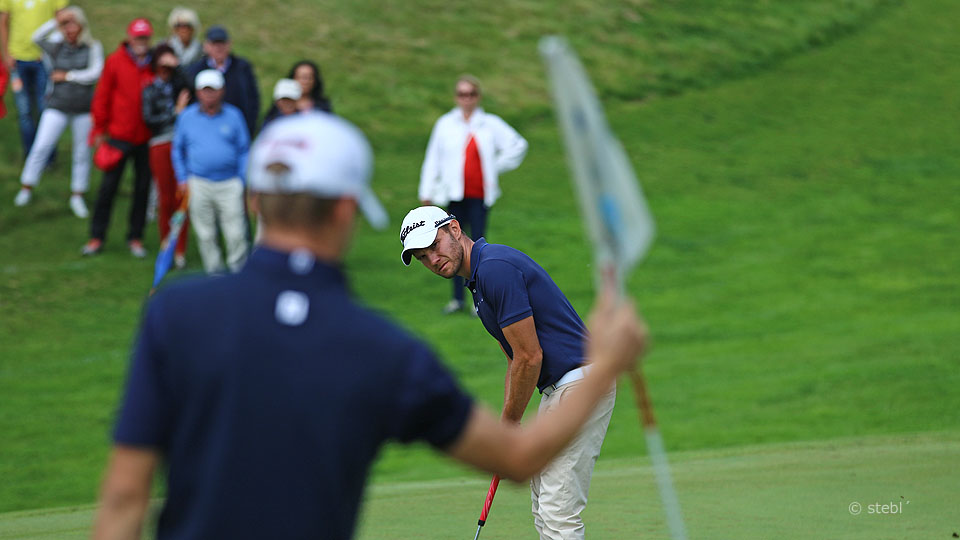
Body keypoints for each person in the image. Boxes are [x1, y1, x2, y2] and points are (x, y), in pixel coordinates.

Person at [91, 112, 648, 540]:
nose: (431, 261)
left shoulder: (173, 315)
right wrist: (613, 354)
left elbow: (122, 499)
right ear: (347, 211)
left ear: (255, 200)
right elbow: (519, 458)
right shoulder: (383, 348)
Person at [401, 205, 614, 540]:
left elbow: (530, 357)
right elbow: (516, 360)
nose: (432, 259)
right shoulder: (480, 283)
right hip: (560, 388)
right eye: (422, 256)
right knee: (545, 507)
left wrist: (510, 422)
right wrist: (509, 420)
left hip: (579, 383)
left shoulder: (495, 269)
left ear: (455, 229)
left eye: (434, 245)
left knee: (558, 510)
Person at [419, 74, 528, 314]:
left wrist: (492, 166)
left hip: (479, 195)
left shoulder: (490, 124)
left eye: (470, 94)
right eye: (461, 94)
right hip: (454, 195)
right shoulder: (446, 124)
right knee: (449, 245)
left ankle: (480, 299)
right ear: (456, 97)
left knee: (477, 246)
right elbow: (433, 158)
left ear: (477, 97)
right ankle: (457, 299)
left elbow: (517, 145)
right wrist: (426, 190)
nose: (466, 99)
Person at [13, 7, 102, 217]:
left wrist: (68, 76)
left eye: (74, 24)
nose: (70, 29)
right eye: (66, 25)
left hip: (82, 108)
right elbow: (36, 37)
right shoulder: (56, 45)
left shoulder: (92, 46)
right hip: (57, 106)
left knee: (82, 152)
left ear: (82, 26)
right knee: (42, 146)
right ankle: (27, 187)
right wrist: (56, 21)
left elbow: (95, 73)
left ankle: (77, 195)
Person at [82, 18, 155, 258]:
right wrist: (99, 130)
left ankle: (135, 237)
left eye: (145, 38)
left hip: (145, 137)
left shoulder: (154, 63)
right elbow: (101, 97)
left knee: (142, 189)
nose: (141, 42)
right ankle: (96, 237)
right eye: (138, 37)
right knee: (108, 189)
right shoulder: (115, 61)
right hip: (118, 136)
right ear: (130, 37)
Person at [172, 69, 249, 273]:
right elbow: (177, 149)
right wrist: (182, 178)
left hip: (230, 182)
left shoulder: (234, 116)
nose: (209, 95)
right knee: (205, 234)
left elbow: (244, 150)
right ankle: (214, 274)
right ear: (198, 92)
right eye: (205, 91)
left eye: (213, 90)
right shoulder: (187, 117)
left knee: (236, 233)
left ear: (222, 91)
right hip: (198, 182)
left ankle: (238, 273)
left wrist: (242, 179)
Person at [142, 44, 191, 269]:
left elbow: (193, 86)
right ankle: (166, 245)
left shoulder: (179, 85)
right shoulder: (150, 89)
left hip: (181, 144)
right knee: (165, 198)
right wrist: (175, 113)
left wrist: (178, 66)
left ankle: (180, 249)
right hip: (160, 144)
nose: (165, 68)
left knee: (181, 196)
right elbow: (149, 120)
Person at [0, 0, 66, 159]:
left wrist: (53, 52)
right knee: (25, 111)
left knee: (46, 108)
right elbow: (3, 21)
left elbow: (61, 19)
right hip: (18, 59)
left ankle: (48, 156)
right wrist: (6, 54)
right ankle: (30, 155)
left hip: (43, 59)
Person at [185, 25, 259, 136]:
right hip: (203, 129)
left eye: (222, 43)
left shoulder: (242, 68)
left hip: (237, 129)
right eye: (214, 44)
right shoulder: (195, 70)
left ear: (229, 44)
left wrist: (249, 128)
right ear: (206, 46)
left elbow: (253, 99)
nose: (219, 48)